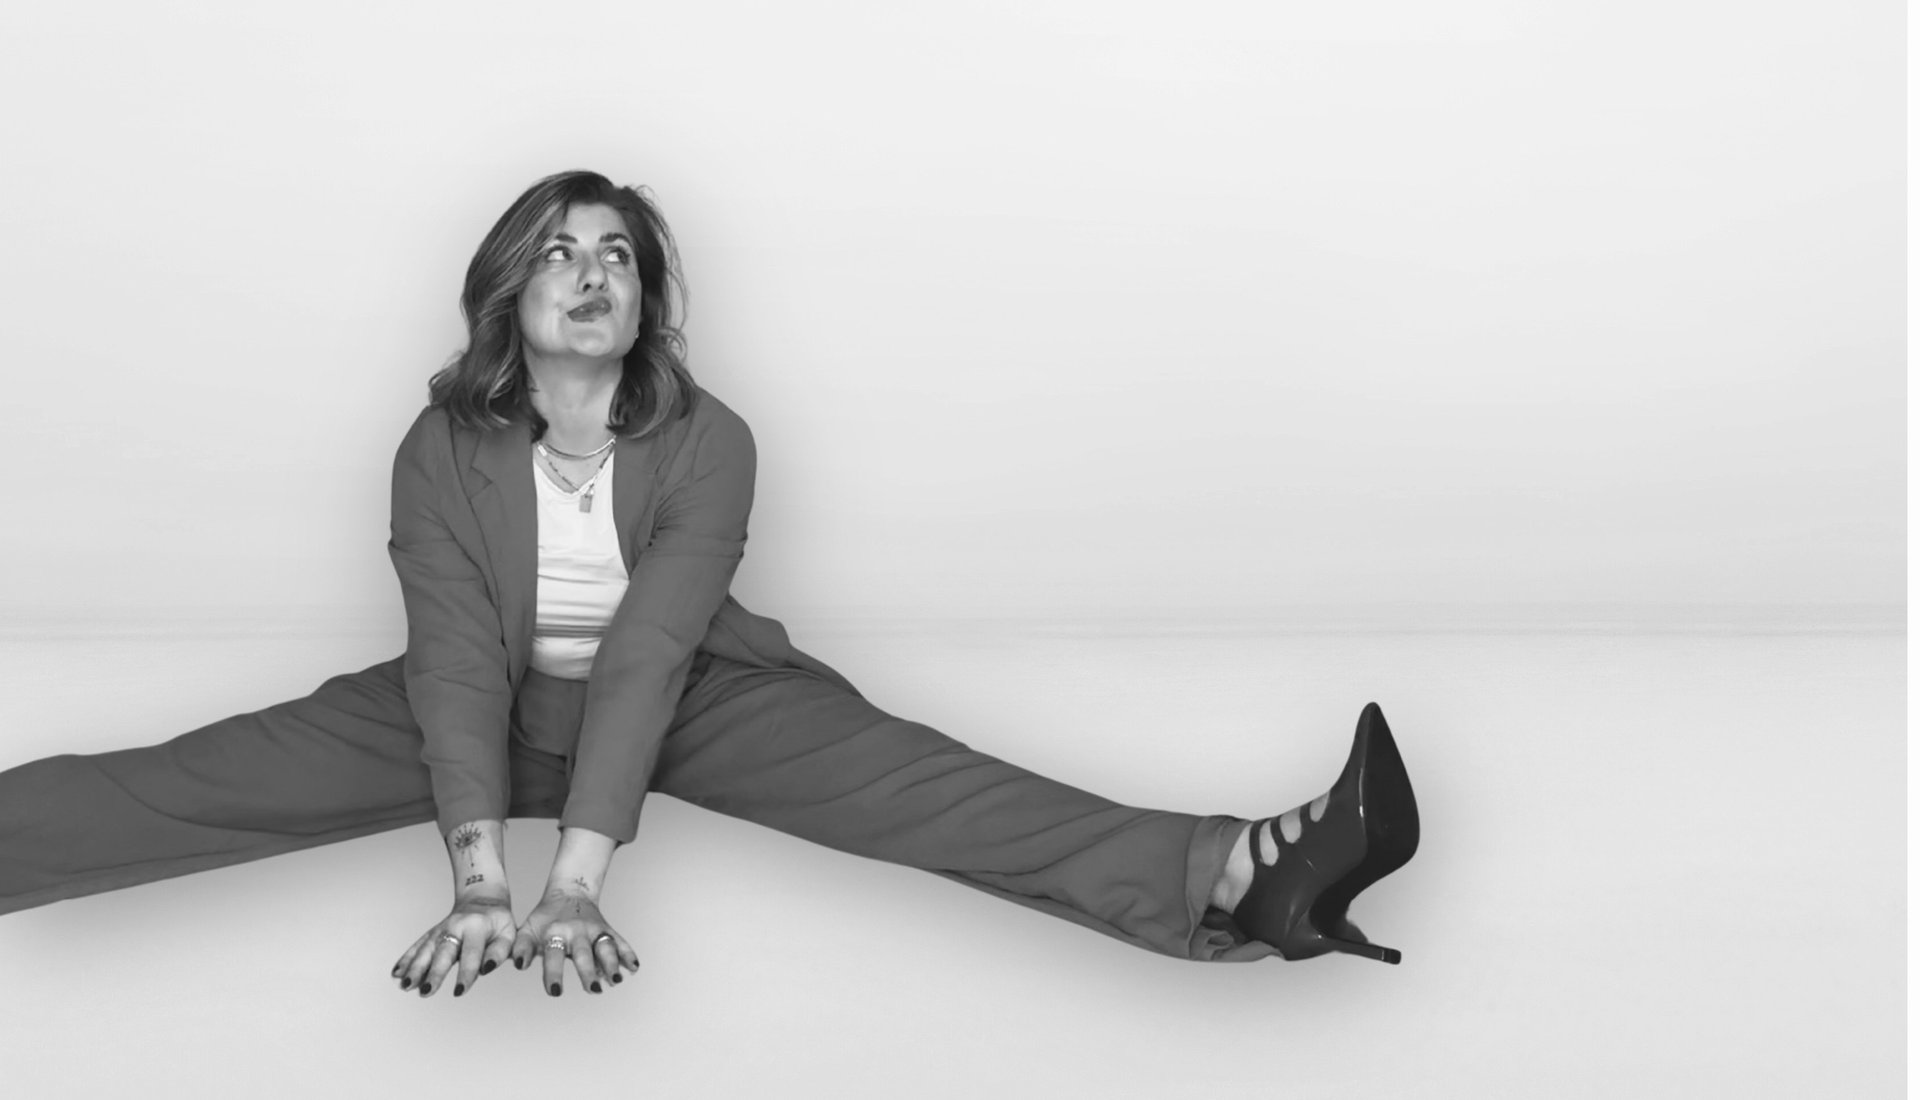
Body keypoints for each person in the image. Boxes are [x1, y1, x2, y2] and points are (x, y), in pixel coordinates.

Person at [0, 170, 1420, 998]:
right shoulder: (439, 446)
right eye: (558, 249)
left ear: (647, 295)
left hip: (691, 697)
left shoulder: (708, 441)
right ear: (508, 287)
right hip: (468, 702)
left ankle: (1248, 874)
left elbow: (643, 659)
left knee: (929, 787)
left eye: (617, 253)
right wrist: (483, 879)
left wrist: (575, 887)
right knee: (180, 783)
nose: (590, 271)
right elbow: (449, 663)